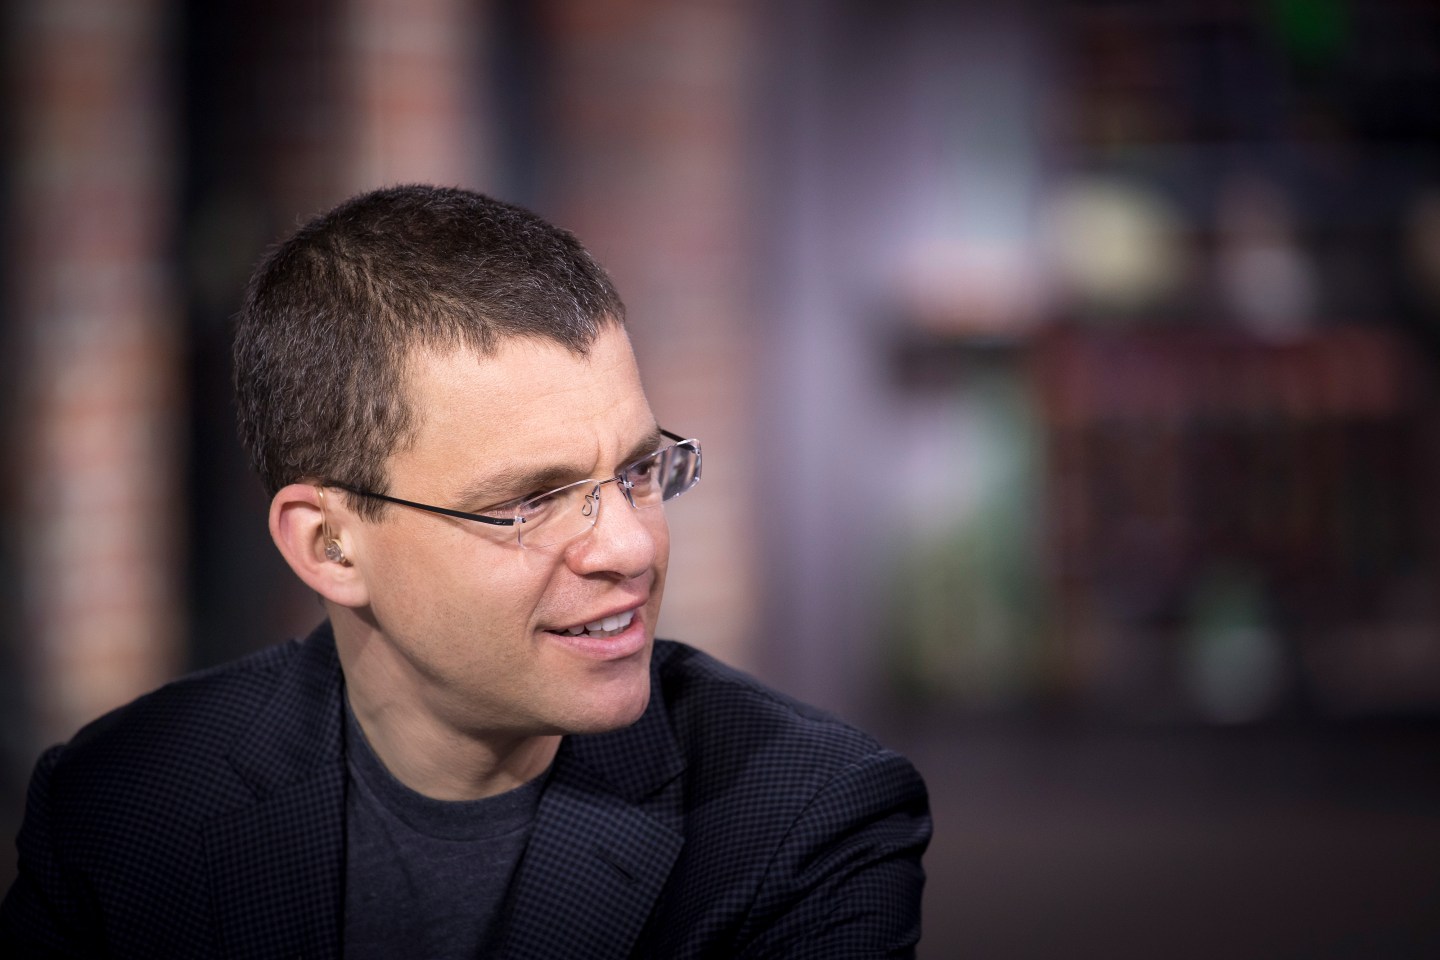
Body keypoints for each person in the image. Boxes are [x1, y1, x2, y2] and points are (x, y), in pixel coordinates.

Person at [0, 185, 931, 958]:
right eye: (526, 503)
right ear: (329, 544)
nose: (634, 548)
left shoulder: (805, 821)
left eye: (640, 472)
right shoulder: (122, 802)